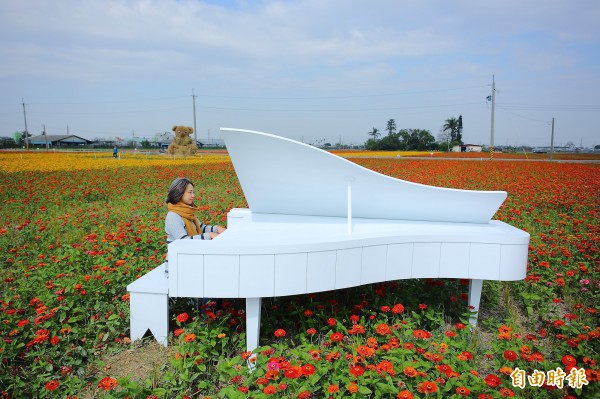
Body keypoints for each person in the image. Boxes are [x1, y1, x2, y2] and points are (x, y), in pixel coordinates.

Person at [165, 177, 226, 244]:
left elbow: (201, 228)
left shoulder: (188, 211)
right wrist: (209, 235)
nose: (193, 195)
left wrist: (217, 229)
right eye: (190, 192)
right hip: (178, 253)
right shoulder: (173, 216)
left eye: (193, 192)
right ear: (179, 193)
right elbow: (183, 241)